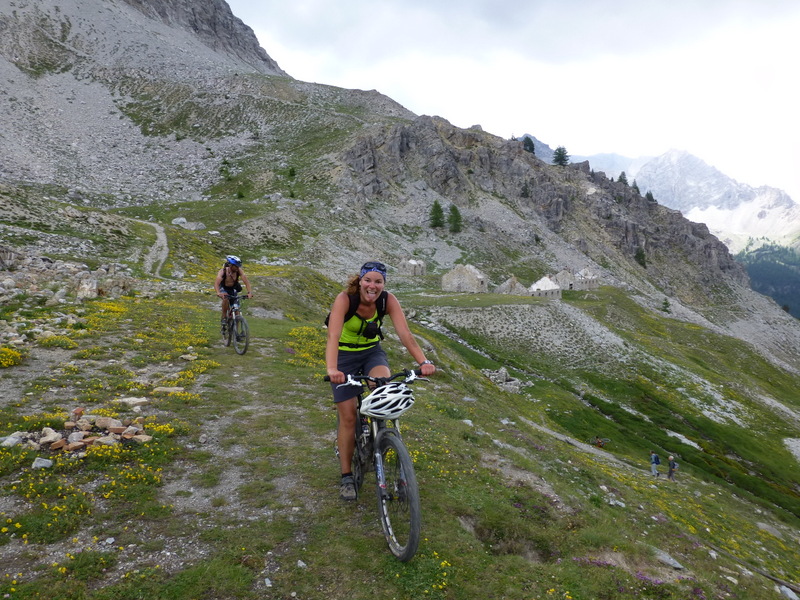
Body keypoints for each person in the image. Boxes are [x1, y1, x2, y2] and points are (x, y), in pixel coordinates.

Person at [326, 261, 435, 501]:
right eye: (368, 280)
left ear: (383, 284)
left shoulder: (388, 301)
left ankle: (385, 441)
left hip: (371, 353)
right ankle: (346, 476)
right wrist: (333, 369)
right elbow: (333, 335)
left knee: (383, 390)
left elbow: (405, 335)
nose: (372, 286)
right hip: (343, 357)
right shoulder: (346, 299)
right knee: (348, 417)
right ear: (360, 280)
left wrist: (424, 362)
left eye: (378, 282)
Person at [214, 255, 252, 330]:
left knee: (237, 311)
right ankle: (224, 317)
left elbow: (246, 281)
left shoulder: (239, 270)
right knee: (225, 298)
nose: (238, 268)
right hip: (224, 288)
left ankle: (236, 333)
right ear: (231, 265)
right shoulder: (223, 271)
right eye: (236, 266)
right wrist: (218, 292)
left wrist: (249, 292)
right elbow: (216, 283)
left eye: (238, 266)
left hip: (233, 289)